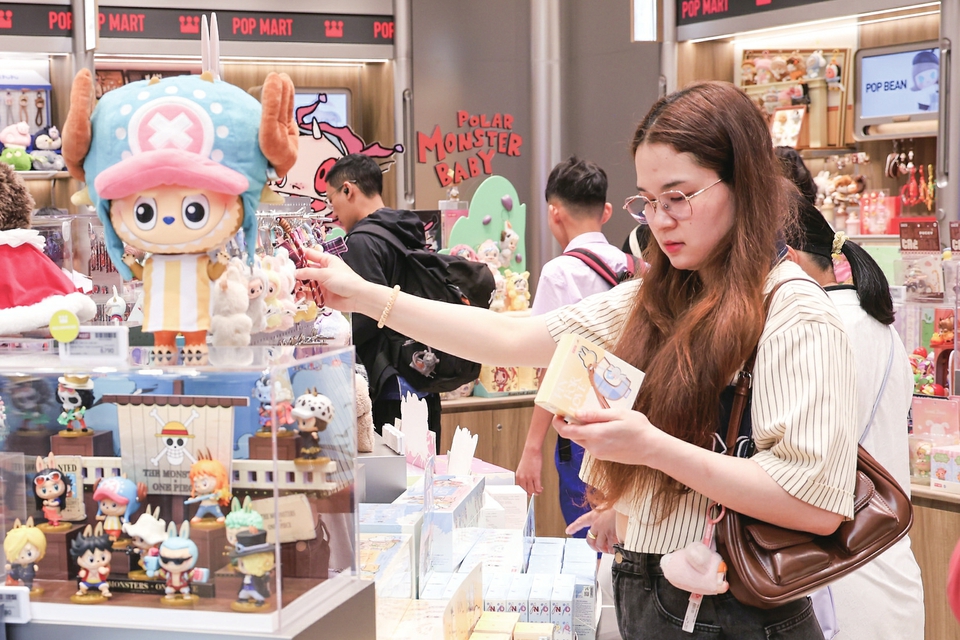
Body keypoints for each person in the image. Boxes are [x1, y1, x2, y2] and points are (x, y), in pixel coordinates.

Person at [298, 81, 858, 639]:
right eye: (648, 201)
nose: (660, 220)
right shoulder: (660, 297)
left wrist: (651, 448)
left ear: (742, 186)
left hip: (735, 612)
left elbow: (813, 504)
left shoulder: (794, 312)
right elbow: (512, 336)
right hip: (657, 595)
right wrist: (365, 296)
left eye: (678, 197)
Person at [785, 193, 924, 640]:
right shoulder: (878, 326)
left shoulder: (816, 332)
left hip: (838, 579)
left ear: (787, 261)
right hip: (891, 567)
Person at [516, 156, 631, 536]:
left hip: (580, 430)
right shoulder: (634, 267)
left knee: (587, 536)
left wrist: (532, 447)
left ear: (554, 212)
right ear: (606, 211)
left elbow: (551, 366)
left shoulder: (559, 273)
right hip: (630, 423)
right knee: (624, 533)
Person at [325, 153, 442, 435]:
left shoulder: (361, 242)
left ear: (348, 190)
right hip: (424, 377)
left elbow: (366, 315)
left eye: (331, 200)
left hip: (390, 386)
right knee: (424, 462)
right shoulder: (408, 231)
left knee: (391, 463)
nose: (333, 212)